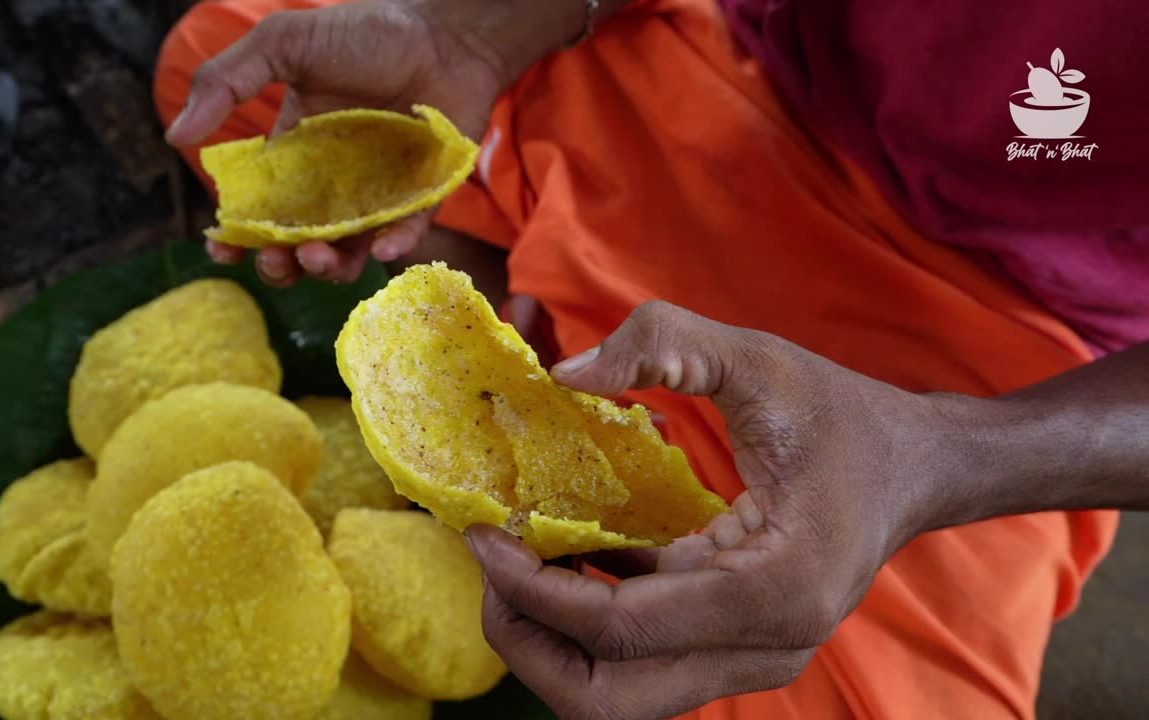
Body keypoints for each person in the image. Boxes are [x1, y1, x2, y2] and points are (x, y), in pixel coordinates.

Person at [153, 1, 1147, 717]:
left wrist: (938, 459)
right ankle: (534, 334)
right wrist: (472, 32)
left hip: (1000, 337)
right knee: (231, 64)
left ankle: (554, 336)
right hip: (726, 85)